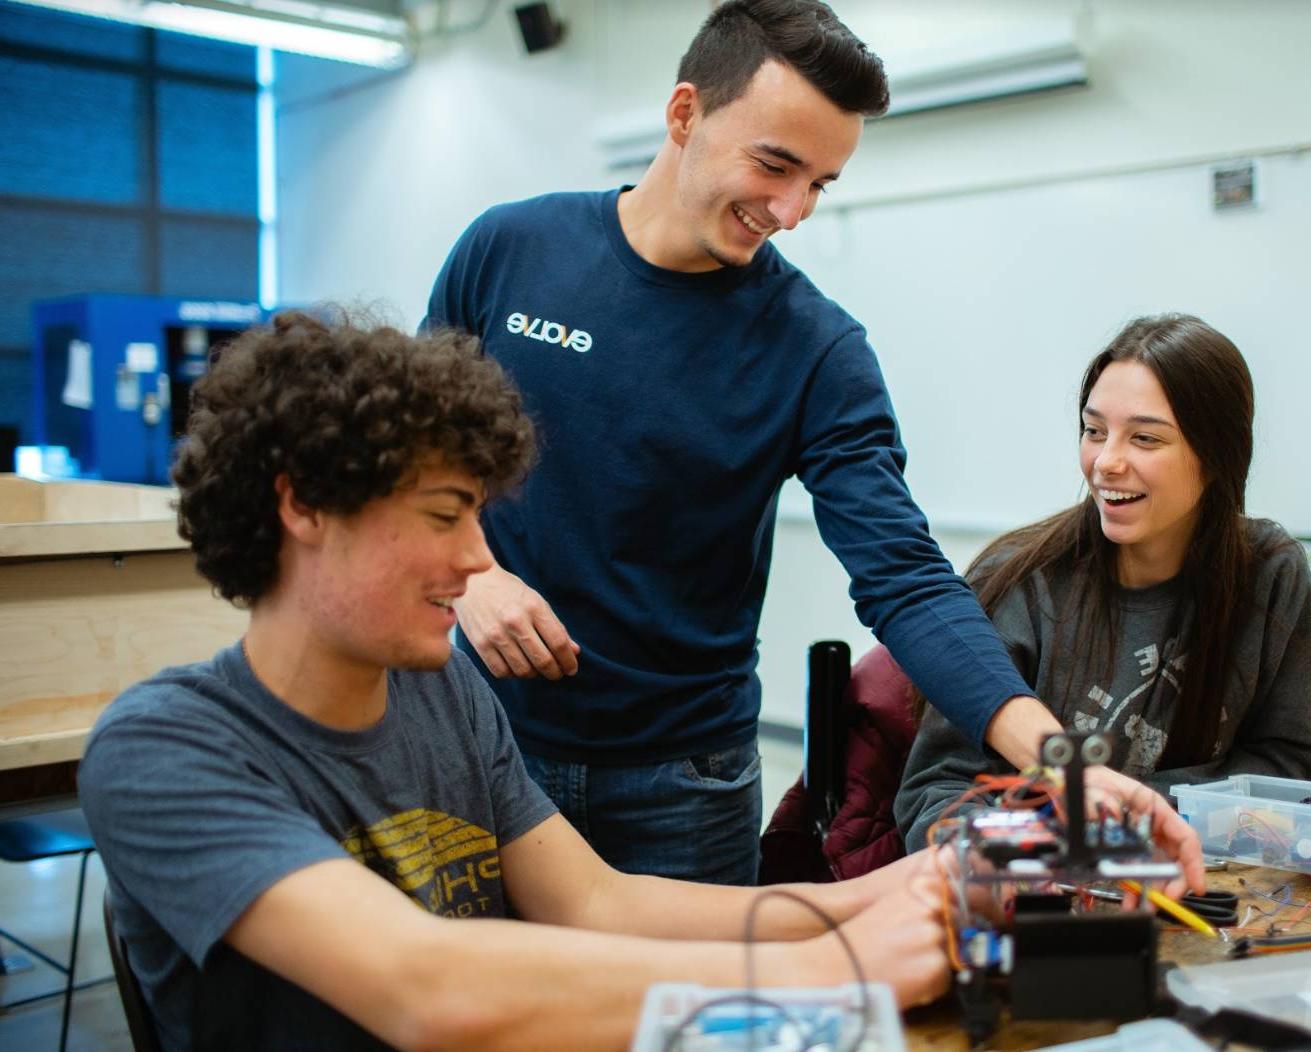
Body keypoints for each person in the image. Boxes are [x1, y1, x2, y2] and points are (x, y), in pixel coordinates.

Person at [424, 0, 1202, 889]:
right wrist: (474, 574)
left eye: (821, 183)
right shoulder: (509, 250)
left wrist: (1058, 761)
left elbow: (904, 576)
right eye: (775, 164)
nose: (792, 211)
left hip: (683, 786)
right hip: (479, 741)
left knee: (686, 1022)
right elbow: (414, 455)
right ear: (685, 115)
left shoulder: (815, 348)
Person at [77, 312, 950, 1052]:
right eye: (442, 515)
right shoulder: (162, 749)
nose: (477, 558)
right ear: (303, 505)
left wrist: (888, 894)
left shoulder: (442, 692)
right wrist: (833, 970)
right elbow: (422, 986)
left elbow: (598, 903)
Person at [895, 314, 1311, 852]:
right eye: (1094, 431)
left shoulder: (1270, 573)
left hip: (1199, 885)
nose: (1106, 462)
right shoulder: (1019, 582)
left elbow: (1292, 770)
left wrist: (1134, 813)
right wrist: (1049, 850)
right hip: (1037, 894)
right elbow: (935, 797)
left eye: (1145, 439)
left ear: (1217, 454)